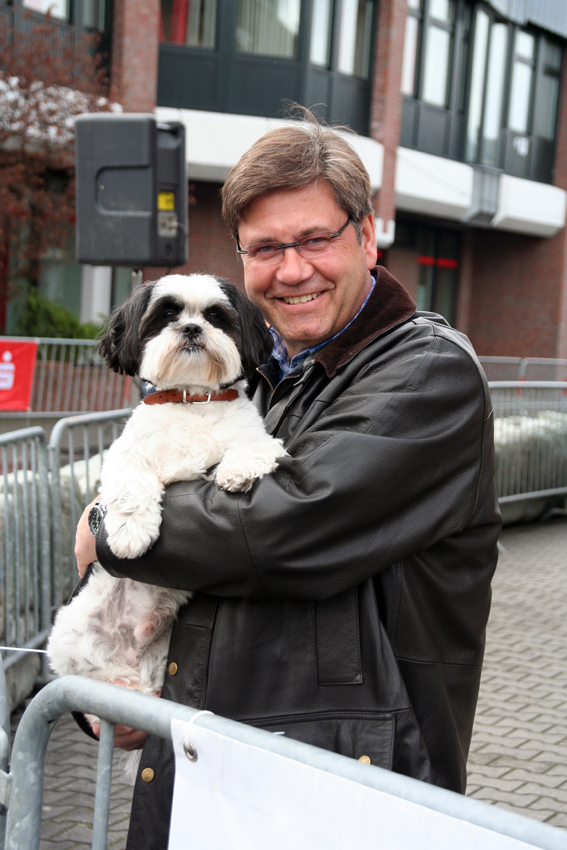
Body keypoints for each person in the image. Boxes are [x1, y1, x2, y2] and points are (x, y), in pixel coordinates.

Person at [75, 112, 501, 850]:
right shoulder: (259, 374)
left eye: (315, 239)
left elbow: (273, 529)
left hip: (343, 780)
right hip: (216, 757)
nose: (292, 269)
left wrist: (105, 529)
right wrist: (110, 681)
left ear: (366, 237)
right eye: (265, 248)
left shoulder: (425, 372)